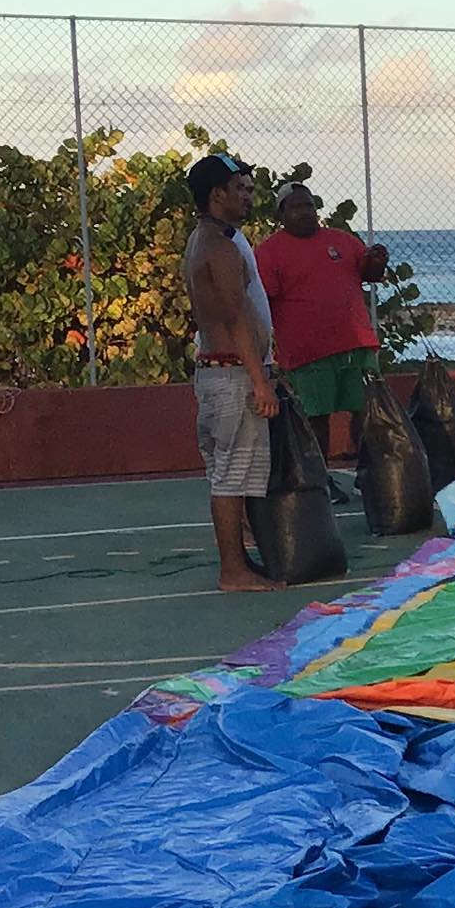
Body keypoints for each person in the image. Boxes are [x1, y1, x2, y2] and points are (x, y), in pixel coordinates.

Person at [181, 151, 280, 593]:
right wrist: (260, 380)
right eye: (239, 188)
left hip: (222, 372)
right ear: (216, 194)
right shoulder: (218, 247)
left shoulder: (212, 238)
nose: (248, 195)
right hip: (231, 373)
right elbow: (234, 317)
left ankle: (240, 559)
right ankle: (233, 571)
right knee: (232, 473)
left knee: (229, 471)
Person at [255, 181, 390, 466]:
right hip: (308, 352)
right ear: (281, 214)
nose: (305, 212)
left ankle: (369, 472)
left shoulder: (341, 240)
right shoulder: (269, 252)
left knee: (367, 410)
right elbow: (262, 302)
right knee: (315, 418)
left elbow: (372, 275)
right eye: (296, 207)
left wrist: (378, 260)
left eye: (310, 206)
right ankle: (319, 478)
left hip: (356, 344)